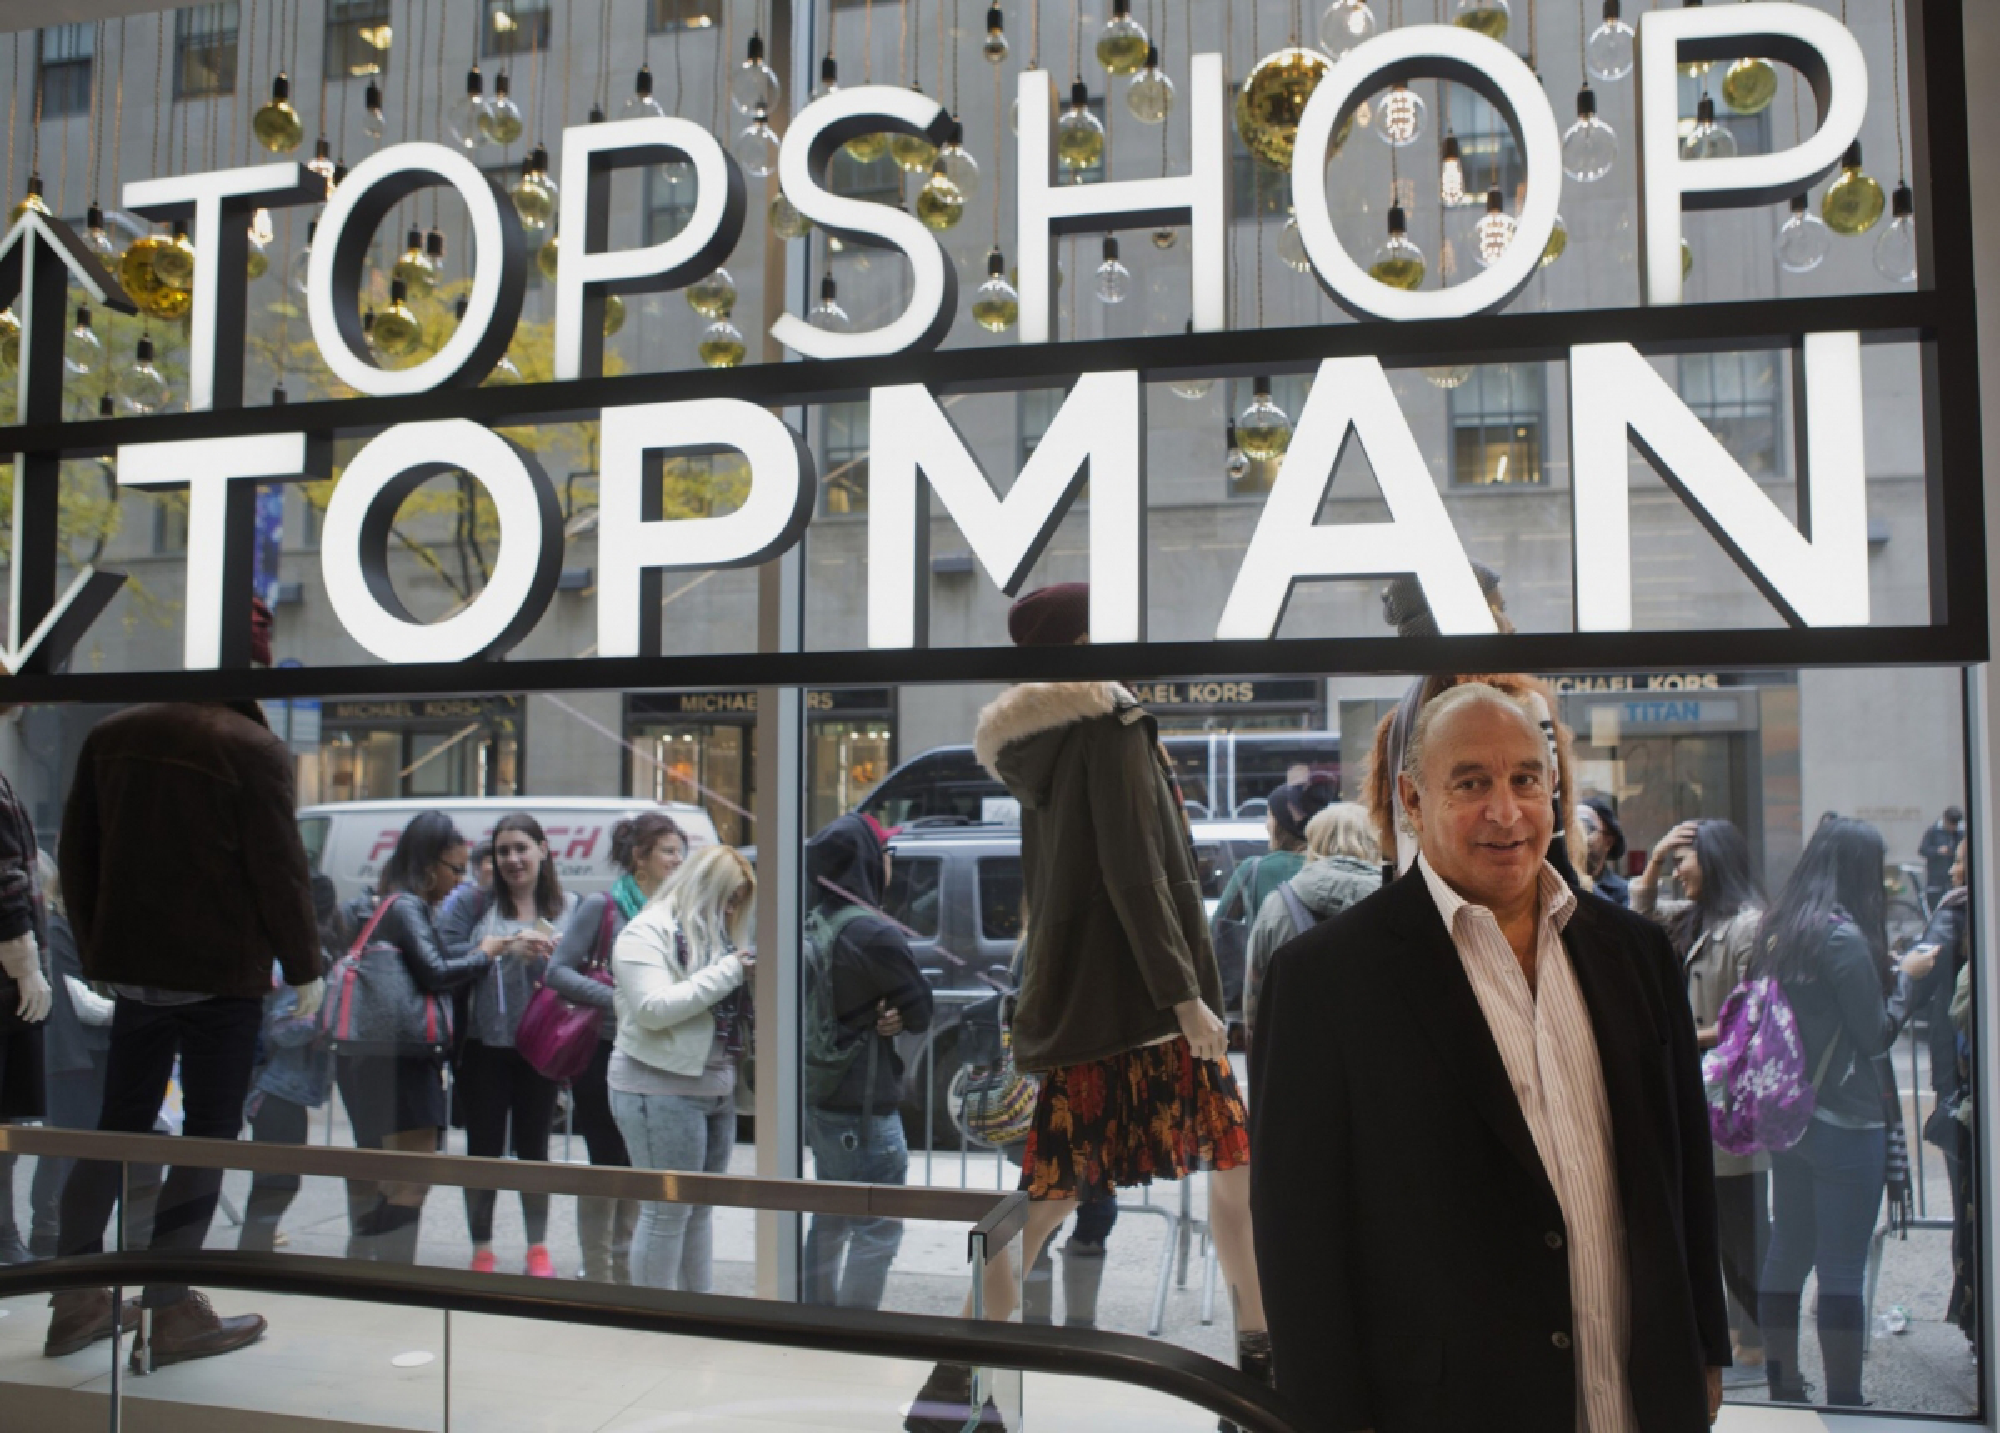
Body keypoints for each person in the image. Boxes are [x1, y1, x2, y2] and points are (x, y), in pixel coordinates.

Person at [1252, 682, 1728, 1432]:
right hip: (1449, 1407)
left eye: (1525, 780)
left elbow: (1683, 1168)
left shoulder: (1634, 952)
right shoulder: (1326, 980)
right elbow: (1298, 1237)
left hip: (1638, 1396)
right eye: (1471, 782)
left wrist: (1704, 1346)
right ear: (1412, 798)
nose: (1506, 811)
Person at [906, 582, 1267, 1433]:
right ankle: (1259, 1374)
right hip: (1138, 1002)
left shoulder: (1046, 739)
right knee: (1210, 1172)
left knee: (1056, 1194)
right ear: (1078, 643)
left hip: (1087, 998)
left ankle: (954, 1380)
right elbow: (1134, 866)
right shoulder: (1107, 724)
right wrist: (1184, 995)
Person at [49, 700, 322, 1368]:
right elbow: (279, 867)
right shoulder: (249, 746)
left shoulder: (113, 734)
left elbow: (76, 850)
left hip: (135, 969)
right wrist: (305, 961)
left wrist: (95, 947)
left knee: (115, 1128)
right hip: (218, 975)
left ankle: (76, 1296)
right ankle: (169, 1308)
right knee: (207, 1135)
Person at [1755, 817, 1931, 1406]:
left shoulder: (1779, 932)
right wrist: (1907, 980)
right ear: (1857, 872)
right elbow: (1875, 1034)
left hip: (1789, 1116)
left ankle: (1782, 1385)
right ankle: (1846, 1398)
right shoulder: (1844, 939)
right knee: (1840, 1267)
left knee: (1788, 1249)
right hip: (1846, 1123)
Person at [1631, 818, 1769, 1378]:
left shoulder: (1748, 926)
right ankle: (1735, 1331)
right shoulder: (1691, 921)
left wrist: (1677, 1034)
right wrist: (1656, 857)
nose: (1680, 869)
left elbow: (1749, 1019)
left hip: (1729, 1103)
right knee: (1704, 1220)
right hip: (1692, 1093)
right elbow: (1634, 928)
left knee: (1737, 1225)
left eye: (1686, 858)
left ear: (1714, 861)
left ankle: (1760, 1335)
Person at [332, 812, 493, 1265]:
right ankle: (390, 1271)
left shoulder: (384, 903)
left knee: (389, 1173)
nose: (460, 880)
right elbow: (436, 973)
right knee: (411, 1176)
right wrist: (485, 954)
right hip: (401, 1053)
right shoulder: (405, 906)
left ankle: (367, 1261)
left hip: (373, 1052)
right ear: (427, 864)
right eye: (455, 869)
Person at [546, 811, 687, 1283]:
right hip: (605, 1051)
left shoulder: (678, 909)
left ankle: (628, 1272)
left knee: (639, 1162)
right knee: (606, 1161)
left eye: (680, 851)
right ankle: (599, 1271)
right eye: (668, 850)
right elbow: (558, 972)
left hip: (657, 1052)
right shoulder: (603, 907)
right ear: (638, 857)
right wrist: (621, 1001)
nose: (678, 859)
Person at [801, 813, 934, 1310]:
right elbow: (922, 1011)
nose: (891, 861)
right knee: (876, 1226)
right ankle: (856, 1330)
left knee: (830, 1217)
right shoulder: (874, 933)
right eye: (886, 852)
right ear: (867, 862)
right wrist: (900, 1011)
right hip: (866, 1106)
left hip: (819, 1096)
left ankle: (816, 1319)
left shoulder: (813, 919)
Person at [609, 844, 756, 1292]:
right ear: (705, 887)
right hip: (657, 1086)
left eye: (738, 901)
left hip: (713, 1085)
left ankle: (696, 1314)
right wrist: (731, 971)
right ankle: (661, 1324)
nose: (732, 908)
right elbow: (654, 1009)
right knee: (666, 1212)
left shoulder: (719, 936)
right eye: (728, 897)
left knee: (697, 1210)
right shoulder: (645, 932)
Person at [443, 812, 575, 1277]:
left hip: (541, 1047)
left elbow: (582, 974)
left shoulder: (568, 908)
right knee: (483, 1149)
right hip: (484, 1046)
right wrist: (501, 951)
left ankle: (537, 1246)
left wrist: (548, 959)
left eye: (522, 848)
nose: (513, 859)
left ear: (543, 849)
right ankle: (482, 1246)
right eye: (503, 851)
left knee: (534, 1148)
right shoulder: (475, 905)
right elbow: (448, 960)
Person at [28, 856, 161, 1261]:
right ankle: (71, 1251)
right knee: (78, 1157)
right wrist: (145, 1005)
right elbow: (82, 1003)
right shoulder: (57, 930)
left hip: (93, 1056)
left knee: (90, 1155)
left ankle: (84, 1248)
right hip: (72, 1060)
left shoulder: (84, 930)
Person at [1241, 802, 1380, 1054]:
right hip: (1379, 1062)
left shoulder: (1278, 905)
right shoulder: (1398, 904)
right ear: (1373, 842)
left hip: (1298, 1057)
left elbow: (1255, 1001)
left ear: (1313, 843)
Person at [237, 951, 334, 1253]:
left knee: (278, 1179)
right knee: (278, 1180)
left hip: (280, 1089)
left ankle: (255, 1248)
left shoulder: (293, 966)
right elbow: (281, 1029)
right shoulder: (297, 969)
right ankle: (253, 1251)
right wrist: (326, 1017)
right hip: (276, 1089)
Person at [0, 761, 49, 1267]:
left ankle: (5, 1235)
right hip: (5, 989)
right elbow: (5, 882)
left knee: (8, 1124)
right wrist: (23, 960)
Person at [1578, 797, 1631, 906]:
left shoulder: (1625, 892)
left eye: (1586, 828)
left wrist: (1583, 882)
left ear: (1608, 842)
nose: (1577, 836)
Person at [1918, 806, 1964, 907]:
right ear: (1945, 820)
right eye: (1951, 824)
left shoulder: (1960, 833)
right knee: (1936, 904)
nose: (1952, 828)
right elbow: (1923, 850)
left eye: (1955, 825)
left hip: (1954, 876)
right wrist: (1938, 850)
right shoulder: (1933, 831)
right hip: (1937, 876)